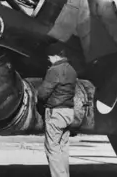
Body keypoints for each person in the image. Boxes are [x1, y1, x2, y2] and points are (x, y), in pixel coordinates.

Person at [37, 43, 77, 177]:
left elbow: (43, 93)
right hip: (68, 112)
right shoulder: (72, 69)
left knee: (52, 149)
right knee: (63, 148)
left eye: (49, 57)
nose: (48, 59)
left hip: (56, 113)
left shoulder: (54, 70)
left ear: (55, 56)